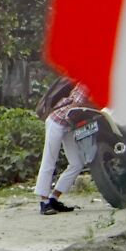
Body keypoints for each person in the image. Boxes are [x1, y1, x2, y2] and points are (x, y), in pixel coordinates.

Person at [35, 79, 91, 215]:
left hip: (68, 126)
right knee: (49, 160)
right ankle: (44, 202)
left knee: (77, 163)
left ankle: (54, 198)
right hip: (57, 121)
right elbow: (76, 104)